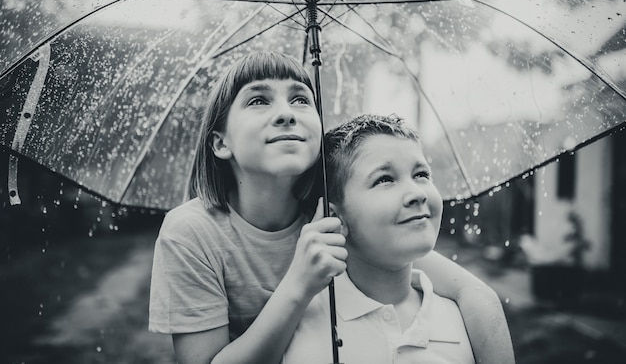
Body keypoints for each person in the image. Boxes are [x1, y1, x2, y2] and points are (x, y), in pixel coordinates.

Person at [149, 51, 514, 364]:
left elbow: (474, 293)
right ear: (220, 143)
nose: (286, 114)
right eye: (259, 100)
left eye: (300, 99)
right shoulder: (190, 233)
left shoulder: (336, 214)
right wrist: (299, 284)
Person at [284, 114, 514, 363]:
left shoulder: (467, 322)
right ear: (334, 216)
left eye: (421, 174)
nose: (417, 194)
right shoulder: (297, 329)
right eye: (385, 179)